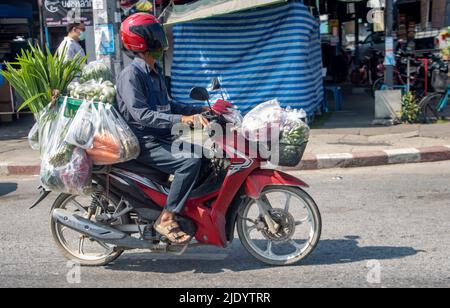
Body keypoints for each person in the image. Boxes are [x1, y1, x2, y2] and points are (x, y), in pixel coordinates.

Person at [117, 13, 209, 245]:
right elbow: (142, 115)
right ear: (141, 43)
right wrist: (184, 119)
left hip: (160, 137)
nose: (161, 42)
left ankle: (190, 209)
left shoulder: (155, 72)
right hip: (144, 141)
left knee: (207, 156)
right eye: (156, 37)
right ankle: (167, 218)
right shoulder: (131, 75)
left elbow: (169, 105)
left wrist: (203, 110)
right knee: (190, 162)